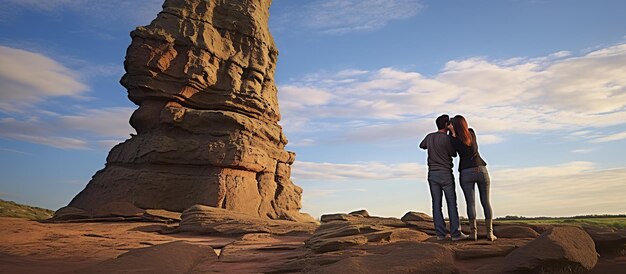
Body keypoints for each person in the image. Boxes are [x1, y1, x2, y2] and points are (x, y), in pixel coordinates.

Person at [448, 115, 497, 241]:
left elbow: (455, 153)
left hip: (466, 172)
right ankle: (490, 233)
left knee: (471, 203)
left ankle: (473, 233)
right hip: (481, 169)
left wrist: (453, 133)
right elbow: (472, 149)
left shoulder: (452, 139)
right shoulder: (471, 133)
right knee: (486, 201)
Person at [420, 114, 468, 241]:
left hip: (432, 174)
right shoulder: (448, 139)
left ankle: (440, 235)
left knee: (436, 205)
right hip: (446, 173)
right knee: (452, 204)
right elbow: (454, 154)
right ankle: (456, 234)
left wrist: (431, 146)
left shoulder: (430, 137)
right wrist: (453, 134)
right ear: (447, 125)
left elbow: (422, 145)